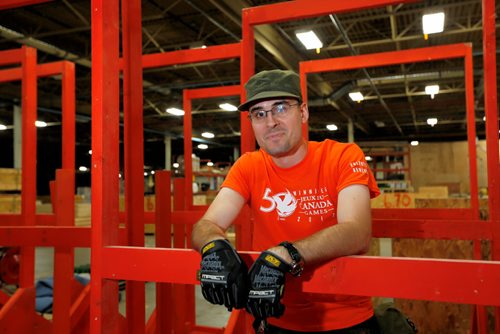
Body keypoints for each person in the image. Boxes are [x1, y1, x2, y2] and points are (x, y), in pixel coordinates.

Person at [192, 69, 380, 333]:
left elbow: (357, 232)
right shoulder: (249, 166)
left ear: (303, 112)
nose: (270, 122)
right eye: (259, 114)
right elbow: (207, 224)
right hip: (274, 314)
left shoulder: (342, 156)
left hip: (346, 319)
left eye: (280, 107)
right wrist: (213, 246)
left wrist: (285, 254)